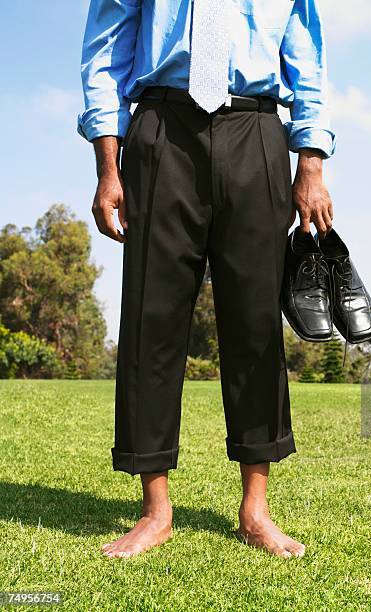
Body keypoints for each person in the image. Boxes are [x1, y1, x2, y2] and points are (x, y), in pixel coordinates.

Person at [78, 0, 335, 559]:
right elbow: (104, 52)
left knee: (256, 324)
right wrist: (107, 167)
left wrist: (311, 165)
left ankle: (255, 510)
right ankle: (155, 511)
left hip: (258, 129)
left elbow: (307, 60)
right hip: (162, 129)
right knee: (152, 321)